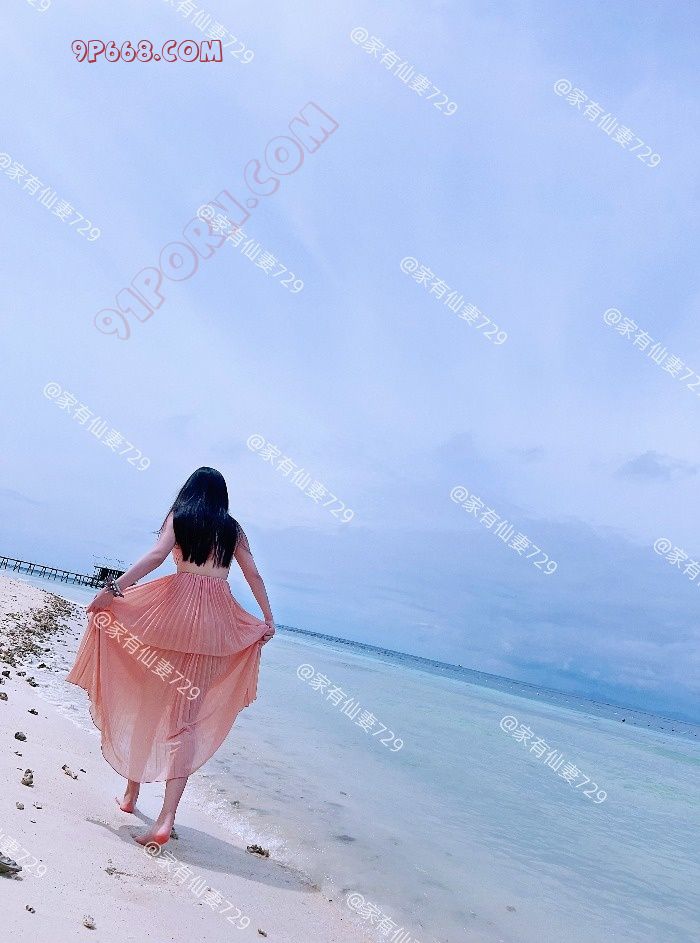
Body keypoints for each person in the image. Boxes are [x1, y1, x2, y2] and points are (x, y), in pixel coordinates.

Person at [66, 467, 275, 848]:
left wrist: (113, 590)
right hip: (214, 627)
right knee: (186, 724)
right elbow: (254, 576)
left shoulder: (180, 516)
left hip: (169, 620)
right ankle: (166, 818)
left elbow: (157, 556)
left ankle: (130, 795)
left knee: (148, 706)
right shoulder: (232, 529)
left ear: (189, 491)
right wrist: (267, 618)